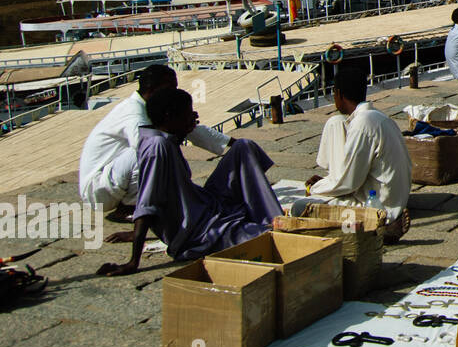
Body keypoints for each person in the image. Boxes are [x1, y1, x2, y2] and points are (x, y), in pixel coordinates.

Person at [98, 88, 281, 275]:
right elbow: (147, 204)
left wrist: (185, 128)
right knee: (266, 239)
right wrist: (132, 261)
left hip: (204, 203)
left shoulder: (164, 135)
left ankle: (269, 216)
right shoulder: (157, 148)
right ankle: (270, 222)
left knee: (243, 147)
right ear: (169, 116)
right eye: (187, 113)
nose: (193, 116)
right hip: (198, 230)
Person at [79, 64, 233, 214]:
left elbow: (188, 128)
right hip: (97, 191)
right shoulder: (132, 111)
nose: (174, 92)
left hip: (113, 180)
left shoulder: (154, 106)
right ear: (153, 90)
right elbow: (145, 147)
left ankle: (137, 202)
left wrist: (232, 144)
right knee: (151, 149)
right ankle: (132, 207)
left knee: (158, 144)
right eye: (170, 88)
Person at [303, 66, 412, 227]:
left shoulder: (363, 124)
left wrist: (314, 188)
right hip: (392, 196)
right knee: (336, 122)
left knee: (301, 207)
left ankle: (376, 229)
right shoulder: (376, 117)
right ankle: (331, 184)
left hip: (379, 207)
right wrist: (329, 182)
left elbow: (349, 183)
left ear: (338, 94)